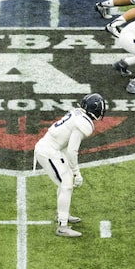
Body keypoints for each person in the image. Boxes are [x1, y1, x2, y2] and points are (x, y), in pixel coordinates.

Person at [34, 93, 107, 237]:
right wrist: (77, 172)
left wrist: (70, 168)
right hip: (48, 151)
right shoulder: (84, 123)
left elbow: (66, 146)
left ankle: (62, 215)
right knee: (66, 184)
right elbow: (72, 150)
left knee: (66, 182)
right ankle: (62, 226)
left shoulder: (77, 113)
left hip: (52, 149)